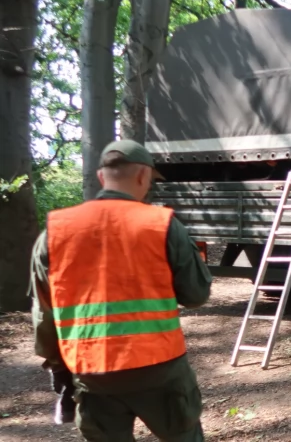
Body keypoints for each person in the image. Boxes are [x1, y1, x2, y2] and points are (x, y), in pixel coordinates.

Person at [30, 140, 213, 442]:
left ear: (102, 178)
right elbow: (196, 295)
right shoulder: (163, 225)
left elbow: (43, 314)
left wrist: (58, 367)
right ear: (143, 176)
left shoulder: (55, 232)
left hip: (92, 371)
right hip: (160, 370)